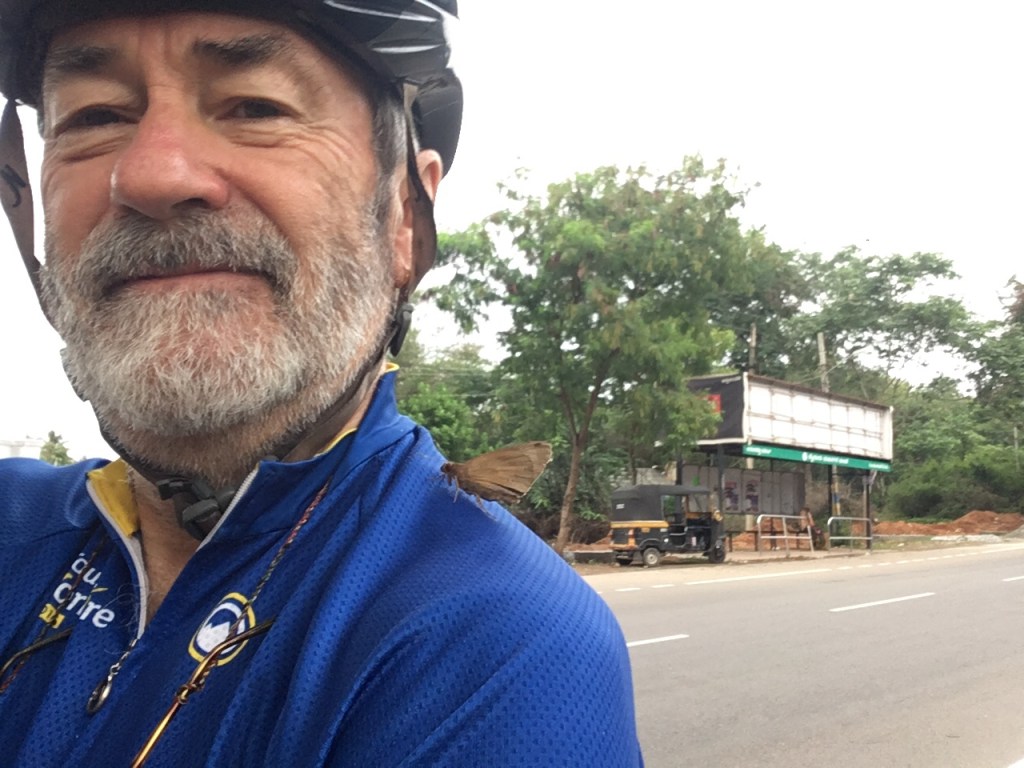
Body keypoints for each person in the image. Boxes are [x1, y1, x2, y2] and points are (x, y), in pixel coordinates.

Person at [0, 2, 643, 765]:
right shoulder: (15, 528)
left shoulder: (494, 642)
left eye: (256, 106)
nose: (150, 174)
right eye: (94, 116)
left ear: (405, 216)